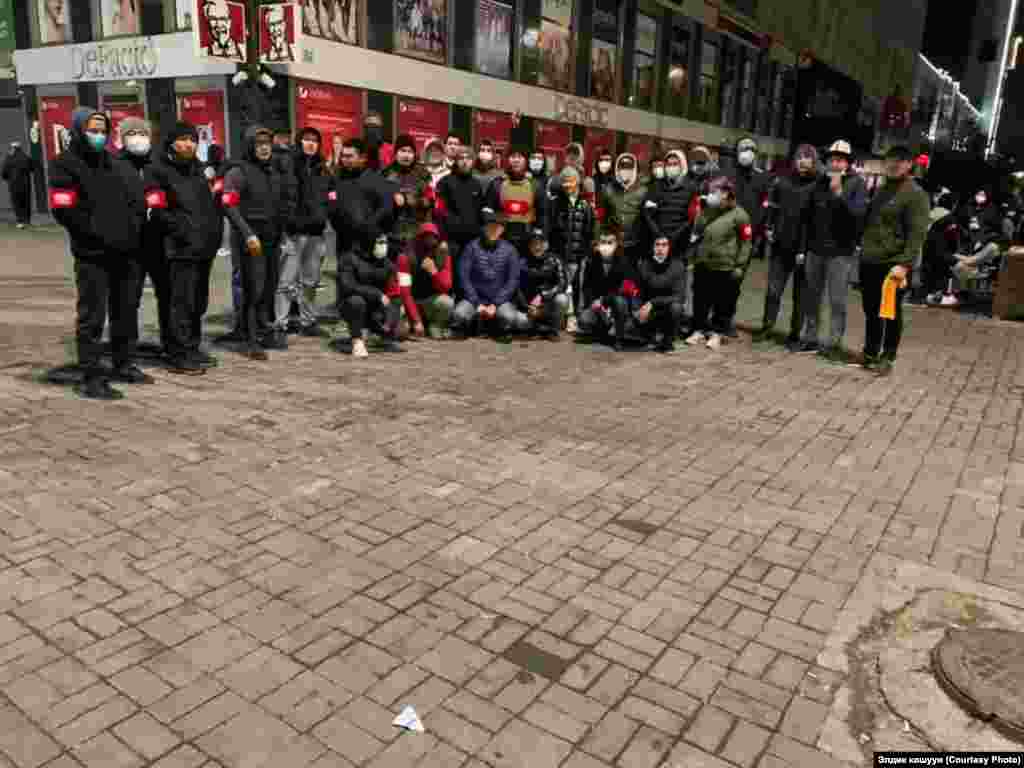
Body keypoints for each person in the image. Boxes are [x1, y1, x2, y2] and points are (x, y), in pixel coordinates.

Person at [49, 108, 145, 399]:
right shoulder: (64, 164)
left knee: (125, 311)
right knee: (93, 316)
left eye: (103, 130)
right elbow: (64, 210)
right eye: (93, 129)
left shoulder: (115, 161)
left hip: (125, 251)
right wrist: (97, 235)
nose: (99, 135)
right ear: (79, 130)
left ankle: (123, 362)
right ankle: (91, 376)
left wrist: (132, 230)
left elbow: (133, 200)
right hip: (93, 254)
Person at [143, 122, 222, 375]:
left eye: (192, 139)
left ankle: (192, 346)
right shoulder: (156, 170)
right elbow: (157, 210)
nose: (189, 144)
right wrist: (183, 231)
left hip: (203, 248)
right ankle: (178, 352)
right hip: (178, 249)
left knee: (198, 302)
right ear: (171, 142)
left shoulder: (198, 169)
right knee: (181, 303)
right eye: (183, 139)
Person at [792, 139, 867, 361]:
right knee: (811, 298)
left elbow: (857, 216)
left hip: (840, 254)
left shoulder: (857, 184)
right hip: (815, 251)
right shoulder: (819, 184)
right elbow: (808, 217)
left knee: (837, 300)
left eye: (841, 159)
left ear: (848, 163)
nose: (836, 163)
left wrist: (839, 194)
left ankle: (833, 342)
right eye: (833, 159)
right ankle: (810, 338)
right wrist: (803, 248)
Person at [857, 145, 930, 375]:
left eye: (900, 160)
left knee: (890, 311)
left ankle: (887, 355)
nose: (893, 164)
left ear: (909, 165)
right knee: (870, 309)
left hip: (893, 263)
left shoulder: (915, 194)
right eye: (890, 159)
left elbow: (917, 233)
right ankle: (870, 351)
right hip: (870, 259)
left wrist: (905, 264)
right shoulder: (880, 190)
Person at [221, 126, 287, 360]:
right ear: (250, 145)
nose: (264, 147)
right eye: (259, 143)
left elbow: (279, 206)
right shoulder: (238, 172)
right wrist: (248, 234)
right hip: (249, 240)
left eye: (267, 142)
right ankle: (250, 340)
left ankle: (263, 329)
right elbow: (228, 204)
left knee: (269, 287)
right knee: (252, 289)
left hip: (272, 239)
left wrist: (283, 235)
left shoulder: (273, 172)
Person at [753, 144, 819, 346]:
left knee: (800, 295)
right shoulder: (782, 181)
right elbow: (772, 206)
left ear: (814, 161)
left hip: (804, 250)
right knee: (773, 291)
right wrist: (769, 227)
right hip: (781, 246)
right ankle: (767, 327)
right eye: (799, 157)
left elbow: (817, 220)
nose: (802, 161)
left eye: (807, 157)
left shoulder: (817, 185)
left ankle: (795, 334)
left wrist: (808, 247)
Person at [116, 118, 170, 356]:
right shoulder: (113, 165)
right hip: (129, 244)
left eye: (143, 133)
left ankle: (171, 343)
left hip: (158, 241)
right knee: (128, 299)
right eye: (132, 133)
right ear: (123, 137)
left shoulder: (158, 164)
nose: (138, 137)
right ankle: (127, 349)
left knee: (167, 295)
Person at [686, 176, 752, 350]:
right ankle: (699, 329)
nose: (711, 195)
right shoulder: (708, 209)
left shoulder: (740, 214)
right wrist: (701, 208)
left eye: (715, 191)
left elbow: (746, 242)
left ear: (726, 193)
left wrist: (739, 266)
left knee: (722, 302)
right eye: (710, 191)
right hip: (703, 262)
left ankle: (717, 333)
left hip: (724, 265)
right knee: (700, 298)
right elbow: (697, 229)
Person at [278, 126, 333, 338]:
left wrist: (325, 214)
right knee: (286, 281)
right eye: (306, 139)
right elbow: (281, 196)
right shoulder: (288, 164)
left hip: (316, 234)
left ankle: (308, 321)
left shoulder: (323, 168)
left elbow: (331, 195)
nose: (311, 143)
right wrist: (287, 222)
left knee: (310, 281)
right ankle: (280, 324)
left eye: (315, 140)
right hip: (293, 233)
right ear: (299, 141)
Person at [450, 209, 527, 339]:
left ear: (502, 230)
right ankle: (472, 326)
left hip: (499, 301)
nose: (493, 230)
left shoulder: (510, 250)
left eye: (497, 228)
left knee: (511, 318)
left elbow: (512, 281)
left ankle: (495, 327)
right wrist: (476, 302)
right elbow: (463, 277)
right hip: (474, 299)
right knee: (459, 315)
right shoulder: (471, 247)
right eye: (490, 227)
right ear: (484, 228)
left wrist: (495, 304)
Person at [548, 166, 597, 330]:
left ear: (578, 182)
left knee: (577, 287)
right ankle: (562, 317)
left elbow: (589, 231)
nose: (568, 185)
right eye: (564, 181)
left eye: (571, 181)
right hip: (560, 254)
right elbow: (552, 230)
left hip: (577, 256)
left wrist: (585, 252)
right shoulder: (556, 203)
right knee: (562, 286)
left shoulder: (585, 205)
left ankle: (575, 317)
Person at [338, 234, 402, 357]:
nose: (383, 246)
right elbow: (347, 287)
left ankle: (383, 337)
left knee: (400, 330)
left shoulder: (387, 264)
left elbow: (395, 293)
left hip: (376, 309)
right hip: (350, 305)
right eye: (380, 243)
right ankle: (357, 341)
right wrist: (376, 294)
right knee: (357, 302)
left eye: (385, 243)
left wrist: (390, 321)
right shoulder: (349, 258)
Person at [437, 146, 485, 299]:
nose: (465, 162)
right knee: (453, 282)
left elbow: (480, 213)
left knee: (470, 281)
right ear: (455, 161)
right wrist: (443, 238)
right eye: (461, 158)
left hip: (472, 242)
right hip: (452, 243)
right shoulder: (445, 182)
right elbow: (439, 213)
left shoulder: (476, 184)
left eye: (468, 158)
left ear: (473, 161)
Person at [577, 226, 635, 350]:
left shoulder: (625, 261)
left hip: (617, 303)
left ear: (616, 244)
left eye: (610, 242)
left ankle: (619, 337)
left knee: (620, 302)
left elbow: (625, 288)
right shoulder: (591, 261)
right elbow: (586, 286)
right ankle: (603, 332)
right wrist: (593, 302)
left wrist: (603, 300)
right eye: (603, 242)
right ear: (598, 244)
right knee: (584, 320)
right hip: (598, 305)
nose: (606, 246)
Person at [396, 222, 454, 338]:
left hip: (429, 301)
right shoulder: (405, 257)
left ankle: (435, 325)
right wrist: (416, 320)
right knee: (402, 331)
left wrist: (434, 272)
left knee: (447, 302)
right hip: (408, 302)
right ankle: (412, 324)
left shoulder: (442, 254)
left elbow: (446, 286)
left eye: (433, 237)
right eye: (425, 237)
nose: (429, 241)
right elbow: (405, 293)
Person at [487, 145, 544, 258]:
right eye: (513, 156)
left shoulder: (536, 186)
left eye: (520, 156)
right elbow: (487, 214)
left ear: (526, 160)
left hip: (528, 245)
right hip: (501, 244)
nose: (516, 160)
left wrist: (539, 239)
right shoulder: (496, 184)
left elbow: (543, 215)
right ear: (507, 159)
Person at [634, 235, 686, 353]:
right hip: (647, 310)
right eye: (657, 245)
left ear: (669, 248)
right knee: (631, 325)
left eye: (664, 245)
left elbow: (679, 296)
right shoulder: (644, 265)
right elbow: (637, 291)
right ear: (652, 247)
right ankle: (648, 337)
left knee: (676, 307)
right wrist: (637, 309)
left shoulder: (678, 266)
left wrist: (653, 302)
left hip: (666, 309)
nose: (660, 248)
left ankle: (668, 341)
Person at [384, 133, 435, 251]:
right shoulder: (385, 174)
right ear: (396, 152)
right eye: (402, 150)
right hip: (391, 236)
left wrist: (409, 200)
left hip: (417, 236)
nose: (406, 155)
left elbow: (430, 201)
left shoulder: (423, 174)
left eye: (410, 151)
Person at [643, 150, 697, 260]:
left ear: (682, 165)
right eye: (668, 164)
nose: (671, 167)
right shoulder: (657, 185)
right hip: (657, 242)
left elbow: (691, 218)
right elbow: (646, 212)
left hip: (679, 244)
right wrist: (658, 234)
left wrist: (673, 236)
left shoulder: (691, 187)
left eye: (675, 164)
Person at [517, 228, 569, 339]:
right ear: (529, 245)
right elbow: (517, 287)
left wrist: (543, 296)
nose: (537, 247)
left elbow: (563, 283)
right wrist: (527, 307)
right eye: (534, 243)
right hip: (529, 307)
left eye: (541, 243)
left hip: (548, 305)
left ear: (546, 244)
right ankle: (537, 328)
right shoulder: (522, 262)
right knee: (519, 322)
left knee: (562, 299)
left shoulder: (556, 260)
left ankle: (552, 330)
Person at [602, 153, 650, 266]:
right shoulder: (608, 190)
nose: (625, 171)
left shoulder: (643, 191)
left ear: (634, 169)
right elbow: (603, 218)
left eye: (629, 168)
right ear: (617, 168)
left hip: (633, 246)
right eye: (622, 167)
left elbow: (646, 221)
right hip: (613, 244)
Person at [731, 137, 770, 267]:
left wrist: (757, 234)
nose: (748, 152)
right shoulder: (727, 174)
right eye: (744, 148)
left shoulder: (762, 177)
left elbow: (764, 207)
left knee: (739, 274)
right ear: (736, 151)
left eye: (751, 149)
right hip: (726, 235)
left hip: (748, 236)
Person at [2, 142, 34, 228]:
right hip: (26, 184)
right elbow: (32, 168)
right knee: (26, 202)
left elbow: (4, 172)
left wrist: (7, 179)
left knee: (16, 202)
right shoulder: (26, 157)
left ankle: (20, 221)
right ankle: (27, 220)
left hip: (13, 184)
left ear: (13, 148)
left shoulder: (9, 158)